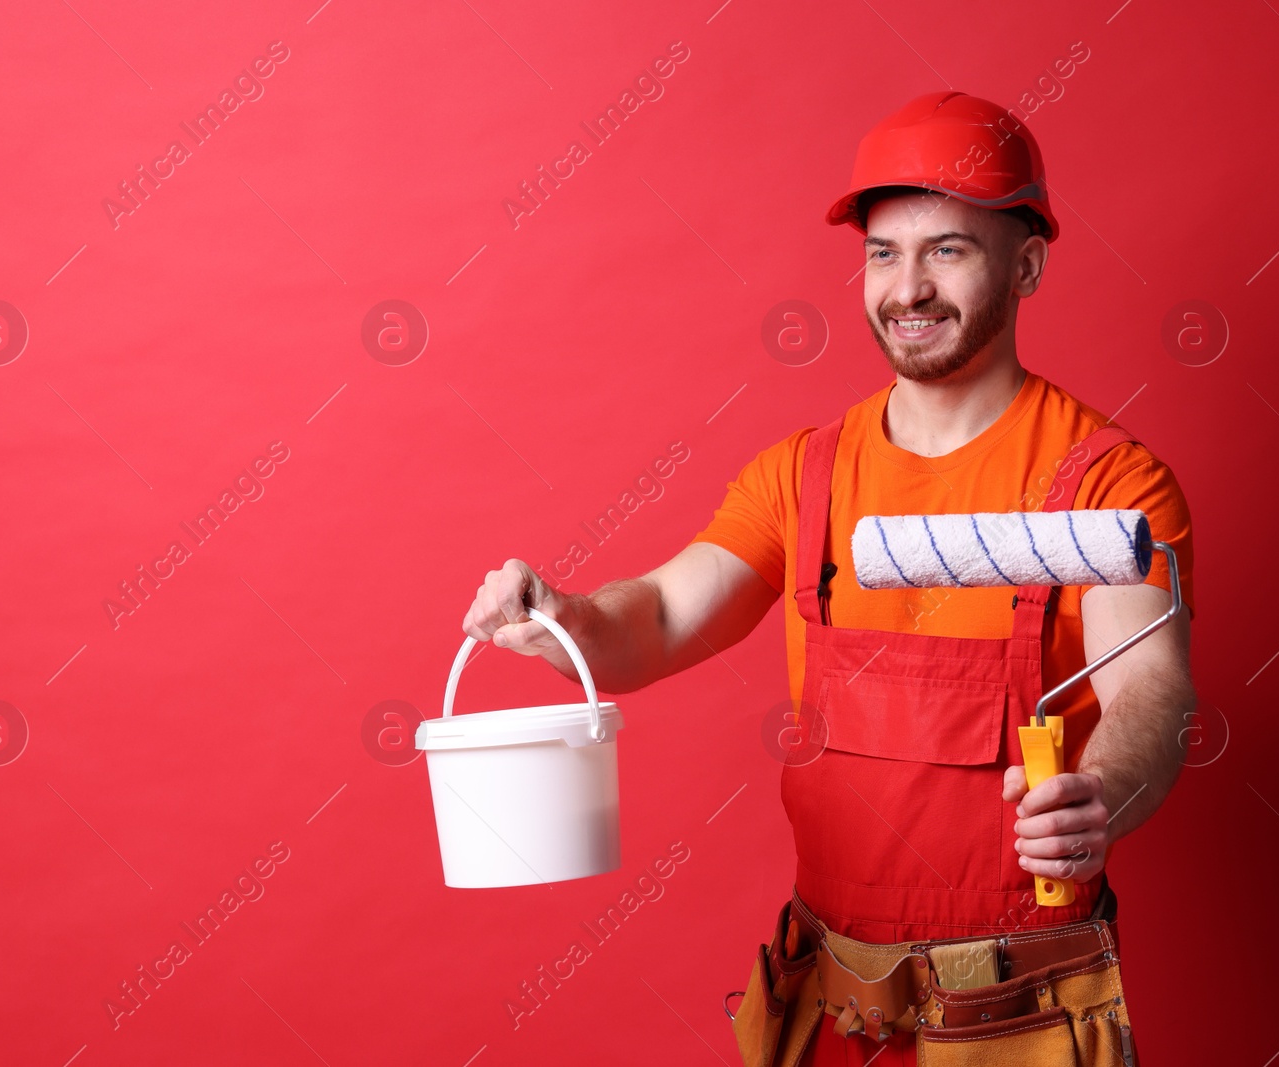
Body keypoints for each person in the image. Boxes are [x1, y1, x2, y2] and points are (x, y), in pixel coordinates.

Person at [461, 90, 1194, 1065]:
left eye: (948, 249)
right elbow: (661, 617)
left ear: (1026, 263)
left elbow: (1149, 684)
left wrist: (1101, 789)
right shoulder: (803, 475)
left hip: (1021, 1012)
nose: (908, 287)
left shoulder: (1105, 481)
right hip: (833, 1011)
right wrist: (560, 616)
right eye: (884, 253)